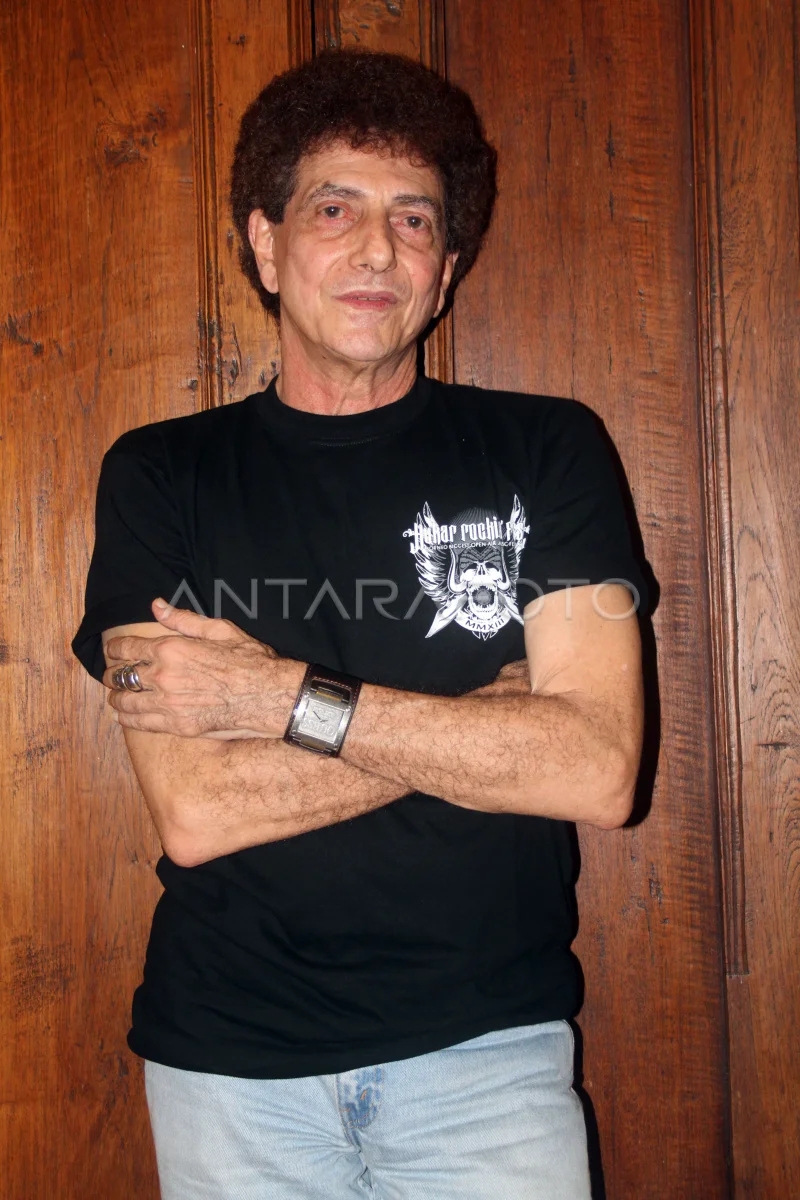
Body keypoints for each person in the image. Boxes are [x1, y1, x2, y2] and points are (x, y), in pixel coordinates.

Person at [72, 47, 647, 1200]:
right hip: (228, 1067)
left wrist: (274, 699)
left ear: (445, 270)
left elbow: (593, 770)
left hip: (485, 1052)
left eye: (413, 219)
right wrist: (484, 724)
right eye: (333, 209)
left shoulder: (546, 449)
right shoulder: (161, 475)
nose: (378, 249)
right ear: (266, 245)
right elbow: (199, 811)